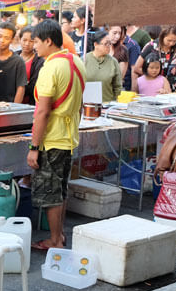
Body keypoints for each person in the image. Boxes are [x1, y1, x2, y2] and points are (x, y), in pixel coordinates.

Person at [28, 20, 86, 251]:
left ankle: (54, 240)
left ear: (48, 41)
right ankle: (59, 235)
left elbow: (42, 111)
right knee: (61, 189)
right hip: (69, 137)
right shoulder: (77, 61)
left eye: (36, 41)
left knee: (51, 194)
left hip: (51, 140)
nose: (34, 46)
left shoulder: (50, 68)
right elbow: (80, 104)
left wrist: (34, 146)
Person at [133, 25, 176, 91]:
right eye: (169, 40)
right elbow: (137, 68)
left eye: (175, 41)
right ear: (162, 36)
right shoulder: (151, 46)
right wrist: (153, 76)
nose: (171, 43)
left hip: (171, 90)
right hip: (152, 88)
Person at [0, 22, 27, 103]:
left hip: (9, 107)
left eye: (6, 38)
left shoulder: (18, 61)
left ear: (12, 40)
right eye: (0, 36)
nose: (2, 40)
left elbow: (21, 88)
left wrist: (15, 109)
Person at [84, 29, 124, 102]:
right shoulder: (84, 60)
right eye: (106, 44)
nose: (109, 46)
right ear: (96, 44)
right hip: (87, 105)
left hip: (107, 105)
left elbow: (117, 86)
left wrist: (114, 102)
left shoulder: (113, 62)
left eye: (110, 43)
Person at [18, 26, 45, 106]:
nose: (27, 44)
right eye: (24, 40)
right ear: (20, 39)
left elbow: (33, 86)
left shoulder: (39, 61)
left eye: (31, 41)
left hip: (30, 104)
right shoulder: (13, 57)